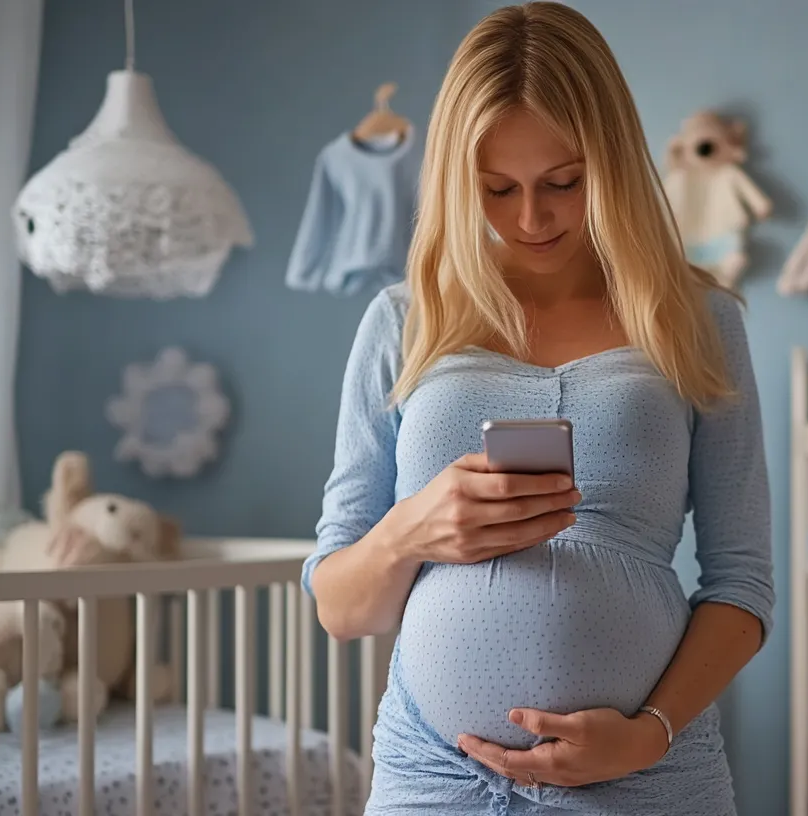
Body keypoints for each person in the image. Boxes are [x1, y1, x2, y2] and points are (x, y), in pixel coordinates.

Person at [301, 3, 774, 814]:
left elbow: (743, 583)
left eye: (563, 181)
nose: (530, 217)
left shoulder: (698, 320)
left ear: (613, 161)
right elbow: (341, 608)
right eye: (496, 188)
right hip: (434, 777)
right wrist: (413, 530)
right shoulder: (402, 321)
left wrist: (648, 732)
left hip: (651, 776)